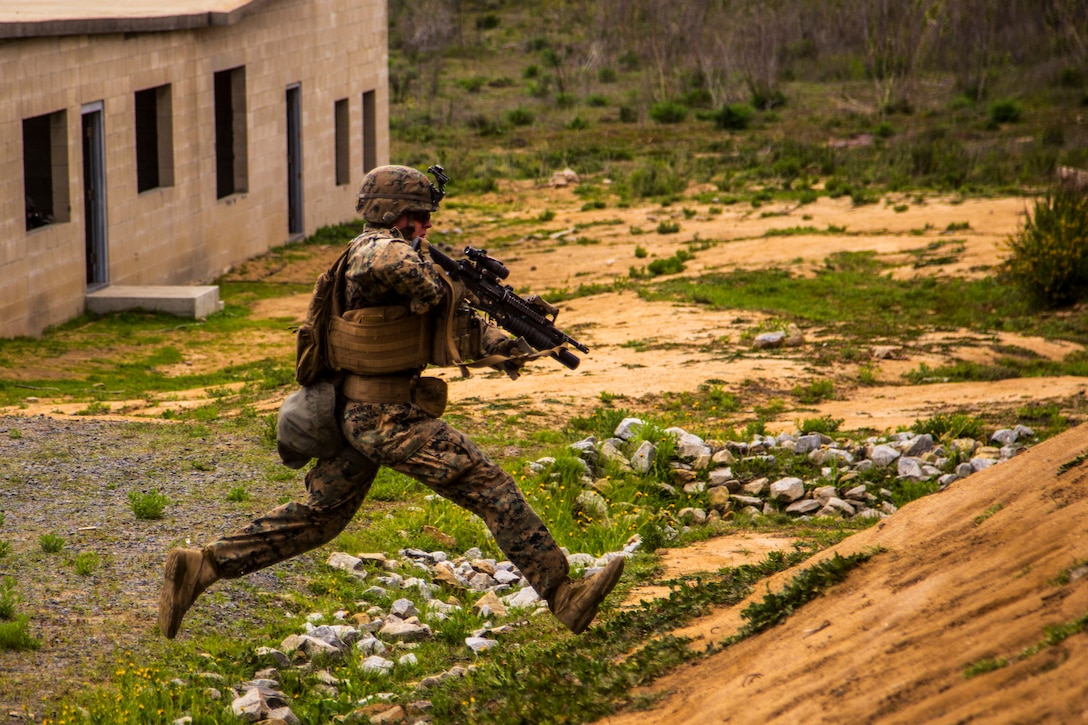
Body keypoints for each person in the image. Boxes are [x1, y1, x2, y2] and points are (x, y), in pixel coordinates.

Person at [158, 165, 624, 639]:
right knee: (489, 485)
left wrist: (509, 345)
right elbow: (391, 265)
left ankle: (202, 566)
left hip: (363, 414)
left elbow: (446, 323)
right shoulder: (376, 248)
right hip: (383, 417)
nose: (427, 227)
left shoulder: (406, 252)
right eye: (420, 216)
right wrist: (434, 279)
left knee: (322, 517)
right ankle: (564, 595)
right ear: (393, 214)